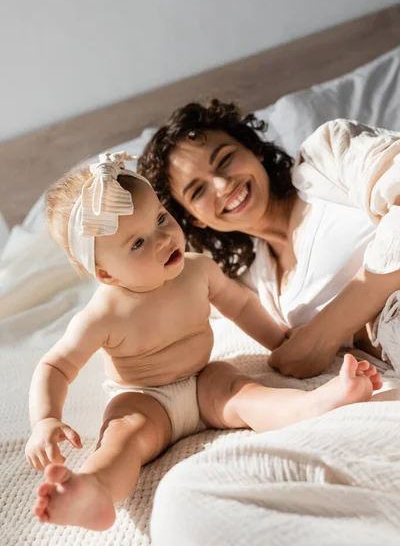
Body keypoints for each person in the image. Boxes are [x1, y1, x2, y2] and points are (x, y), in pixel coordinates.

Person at [25, 151, 381, 531]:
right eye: (137, 243)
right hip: (146, 397)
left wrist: (279, 341)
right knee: (123, 437)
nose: (163, 239)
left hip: (202, 380)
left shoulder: (197, 270)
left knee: (242, 393)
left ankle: (314, 404)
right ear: (105, 274)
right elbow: (56, 366)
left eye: (161, 218)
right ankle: (93, 490)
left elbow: (240, 304)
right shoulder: (102, 315)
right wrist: (45, 419)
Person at [138, 100, 400, 378]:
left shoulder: (326, 155)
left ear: (253, 150)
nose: (223, 185)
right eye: (197, 191)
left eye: (225, 159)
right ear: (194, 218)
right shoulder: (252, 283)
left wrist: (324, 333)